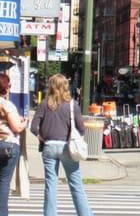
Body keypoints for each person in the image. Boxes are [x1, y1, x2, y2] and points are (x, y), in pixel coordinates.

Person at [30, 74, 93, 216]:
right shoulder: (72, 104)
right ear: (65, 86)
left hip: (49, 147)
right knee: (76, 184)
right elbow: (82, 129)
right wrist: (76, 139)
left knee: (51, 184)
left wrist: (43, 139)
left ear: (51, 86)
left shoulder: (44, 104)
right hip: (67, 147)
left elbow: (34, 128)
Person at [0, 73, 28, 216]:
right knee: (3, 183)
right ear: (5, 88)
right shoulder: (6, 104)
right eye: (9, 85)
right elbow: (17, 128)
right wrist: (25, 122)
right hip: (7, 146)